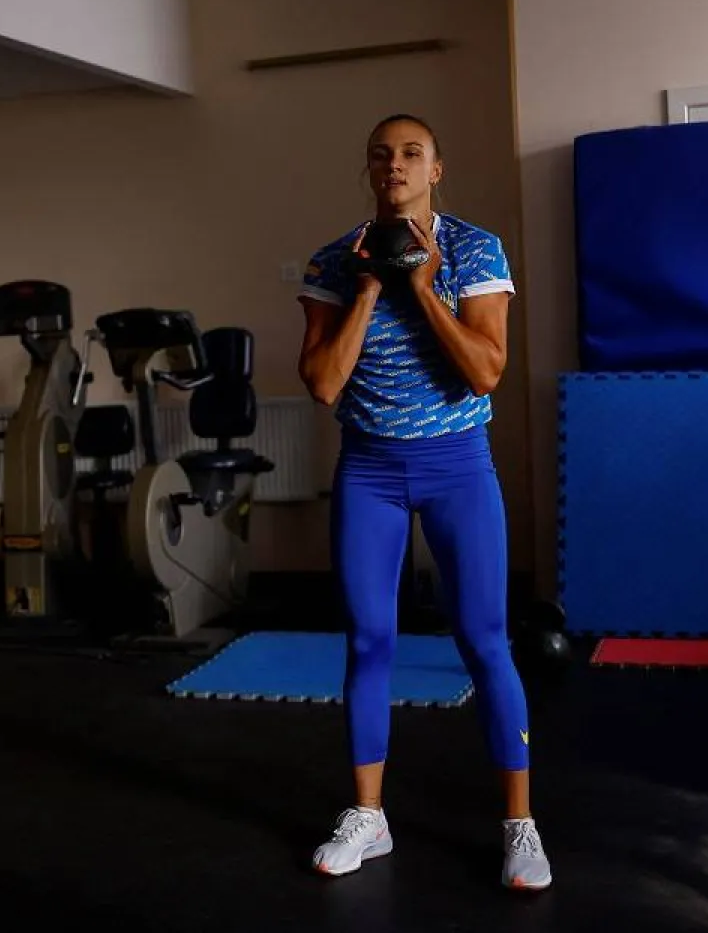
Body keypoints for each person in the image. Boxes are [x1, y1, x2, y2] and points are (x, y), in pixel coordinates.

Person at [295, 113, 552, 892]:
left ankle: (520, 825)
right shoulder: (336, 262)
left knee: (484, 639)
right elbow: (324, 382)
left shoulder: (474, 250)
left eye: (411, 154)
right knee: (370, 640)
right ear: (370, 171)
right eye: (382, 155)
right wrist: (373, 283)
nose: (395, 165)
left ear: (436, 169)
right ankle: (369, 816)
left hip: (456, 465)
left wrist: (423, 282)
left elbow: (484, 372)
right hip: (369, 468)